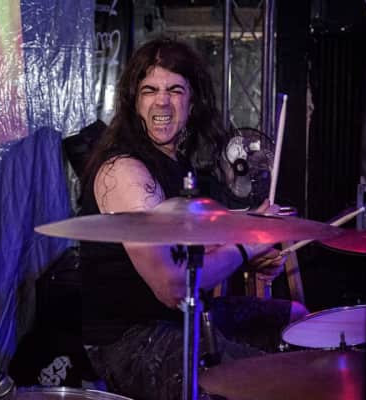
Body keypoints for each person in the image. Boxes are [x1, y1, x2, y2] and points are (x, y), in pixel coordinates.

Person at [79, 37, 307, 400]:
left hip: (185, 318)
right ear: (135, 102)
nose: (162, 101)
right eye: (149, 90)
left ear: (193, 101)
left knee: (296, 320)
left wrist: (251, 252)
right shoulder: (125, 172)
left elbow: (192, 251)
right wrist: (247, 246)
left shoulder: (179, 165)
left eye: (175, 90)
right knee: (276, 384)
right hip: (130, 340)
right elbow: (173, 285)